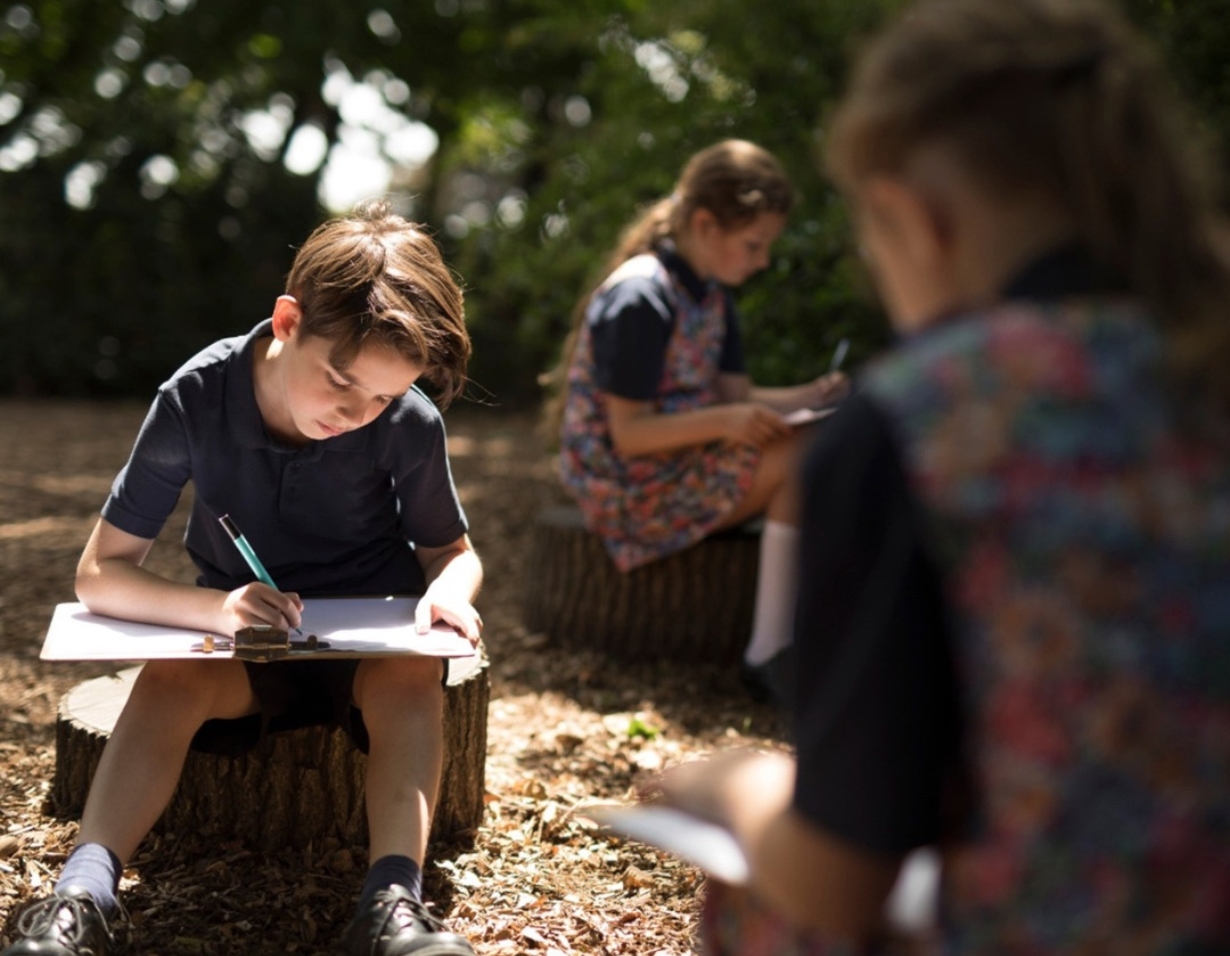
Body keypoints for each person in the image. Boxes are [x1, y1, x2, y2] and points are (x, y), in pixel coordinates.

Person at [651, 0, 1230, 953]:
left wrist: (733, 782)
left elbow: (837, 882)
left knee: (763, 909)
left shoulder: (921, 424)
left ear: (911, 218)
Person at [3, 200, 483, 956]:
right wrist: (216, 609)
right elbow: (100, 574)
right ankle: (82, 898)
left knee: (409, 681)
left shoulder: (407, 423)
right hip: (246, 649)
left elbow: (451, 551)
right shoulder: (197, 397)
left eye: (384, 398)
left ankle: (390, 907)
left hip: (370, 644)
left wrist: (449, 593)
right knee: (166, 678)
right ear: (288, 321)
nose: (359, 414)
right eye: (341, 383)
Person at [550, 140, 848, 702]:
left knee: (818, 435)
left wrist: (811, 395)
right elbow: (630, 434)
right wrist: (729, 420)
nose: (762, 260)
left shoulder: (712, 297)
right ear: (707, 224)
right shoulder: (641, 297)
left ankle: (786, 640)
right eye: (754, 244)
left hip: (677, 461)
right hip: (625, 484)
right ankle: (770, 650)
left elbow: (734, 397)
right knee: (804, 455)